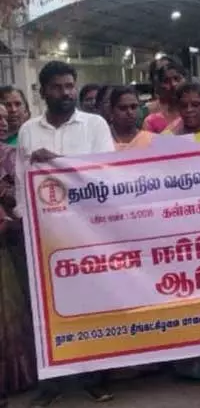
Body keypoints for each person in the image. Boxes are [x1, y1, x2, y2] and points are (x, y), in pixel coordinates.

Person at [16, 61, 115, 407]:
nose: (66, 93)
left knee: (91, 305)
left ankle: (95, 378)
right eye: (57, 87)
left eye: (70, 86)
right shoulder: (29, 130)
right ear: (43, 91)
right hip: (44, 235)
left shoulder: (94, 125)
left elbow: (105, 174)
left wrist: (57, 162)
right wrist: (25, 221)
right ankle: (52, 383)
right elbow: (22, 181)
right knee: (46, 309)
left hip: (87, 230)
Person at [0, 100, 35, 408]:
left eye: (3, 117)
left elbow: (21, 196)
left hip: (9, 243)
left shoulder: (11, 155)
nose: (2, 122)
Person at [143, 62, 187, 134]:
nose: (173, 84)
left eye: (177, 78)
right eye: (166, 81)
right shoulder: (150, 120)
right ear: (159, 85)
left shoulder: (199, 111)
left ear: (185, 80)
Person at [108, 86, 155, 150]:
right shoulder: (102, 139)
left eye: (134, 107)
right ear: (111, 110)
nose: (130, 112)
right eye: (123, 108)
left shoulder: (150, 140)